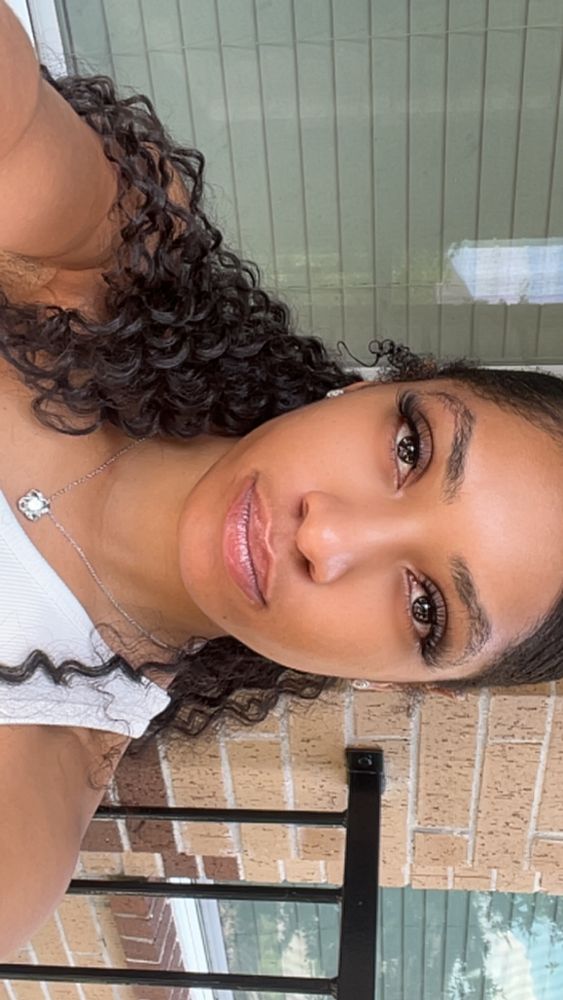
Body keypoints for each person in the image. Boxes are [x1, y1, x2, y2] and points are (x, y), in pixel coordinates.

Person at [0, 0, 562, 955]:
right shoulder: (117, 261)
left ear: (390, 684)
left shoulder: (40, 764)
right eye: (410, 449)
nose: (325, 535)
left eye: (425, 607)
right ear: (375, 385)